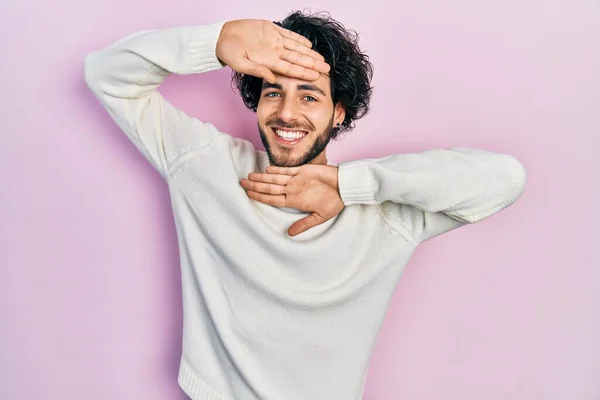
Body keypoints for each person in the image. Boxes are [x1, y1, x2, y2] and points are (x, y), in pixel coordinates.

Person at [83, 10, 526, 400]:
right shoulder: (205, 165)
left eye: (310, 96)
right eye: (273, 92)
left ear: (338, 112)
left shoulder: (384, 212)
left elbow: (505, 178)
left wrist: (349, 185)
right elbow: (105, 74)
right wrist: (215, 42)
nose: (287, 113)